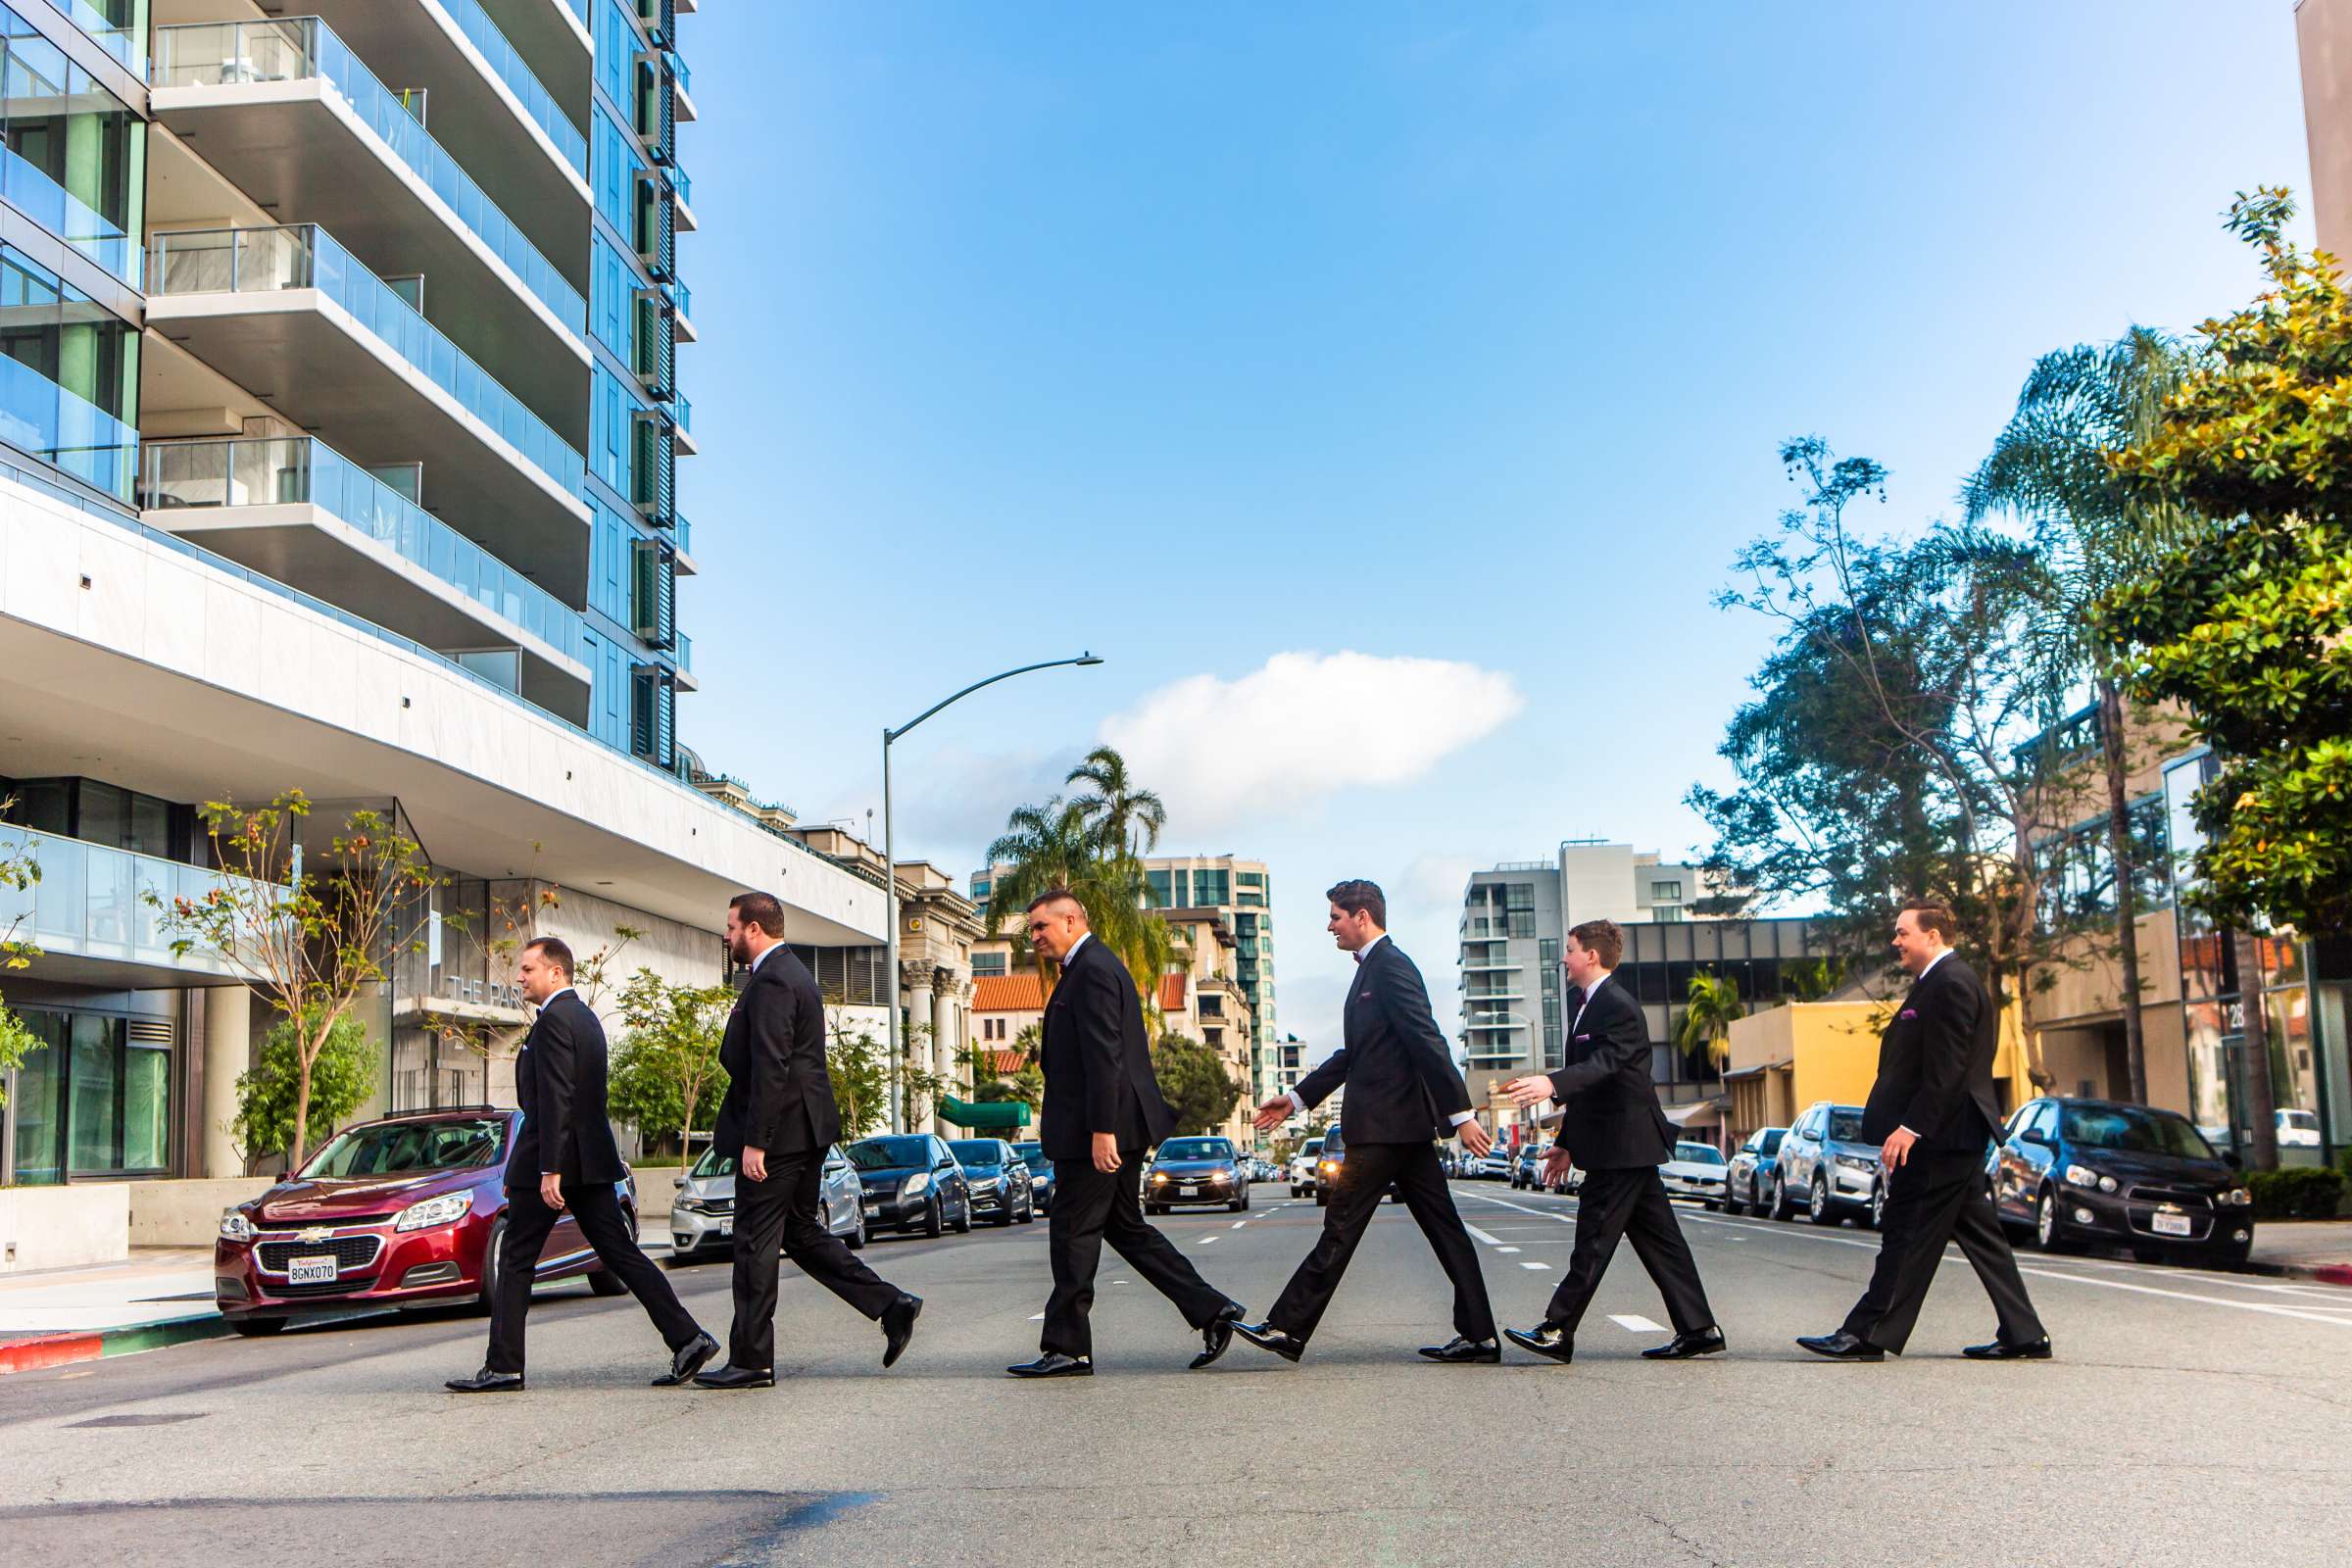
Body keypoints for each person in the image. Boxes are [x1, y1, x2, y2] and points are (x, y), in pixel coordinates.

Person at [1235, 880, 1499, 1365]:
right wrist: (1295, 1099)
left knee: (1340, 1227)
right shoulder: (1370, 972)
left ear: (1362, 916)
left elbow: (1428, 1041)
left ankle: (1287, 1328)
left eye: (1335, 916)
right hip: (1398, 1130)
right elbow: (1353, 1056)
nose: (1329, 926)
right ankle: (1479, 1335)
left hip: (1385, 1129)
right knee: (1445, 1231)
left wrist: (1461, 1115)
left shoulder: (1392, 967)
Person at [447, 936, 715, 1393]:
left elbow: (555, 1098)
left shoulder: (554, 1022)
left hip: (555, 1162)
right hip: (589, 1161)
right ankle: (688, 1338)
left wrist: (549, 1168)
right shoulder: (586, 1018)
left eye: (528, 969)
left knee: (514, 1258)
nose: (519, 977)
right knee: (620, 1252)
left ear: (555, 972)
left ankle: (504, 1366)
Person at [1796, 901, 2049, 1363]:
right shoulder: (1938, 982)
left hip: (1940, 1138)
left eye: (1902, 933)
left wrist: (1910, 1128)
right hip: (1954, 1136)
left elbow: (1947, 1070)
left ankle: (1865, 1334)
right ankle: (2025, 1332)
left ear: (1932, 936)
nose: (1895, 942)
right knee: (1981, 1236)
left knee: (1906, 1232)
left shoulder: (1950, 983)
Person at [1009, 890, 1245, 1378]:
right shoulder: (1087, 967)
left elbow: (1104, 1058)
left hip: (1098, 1130)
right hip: (1112, 1125)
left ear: (1071, 920)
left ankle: (1068, 1347)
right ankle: (1212, 1309)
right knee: (1124, 1228)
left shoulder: (1092, 969)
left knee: (1073, 1231)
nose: (1034, 938)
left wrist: (1101, 1131)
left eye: (1040, 927)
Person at [692, 892, 921, 1390]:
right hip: (806, 1128)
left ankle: (752, 1360)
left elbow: (772, 1065)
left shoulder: (773, 979)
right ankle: (890, 1303)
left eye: (731, 927)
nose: (727, 935)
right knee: (799, 1232)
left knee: (753, 1242)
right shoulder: (793, 972)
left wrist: (759, 1141)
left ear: (754, 929)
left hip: (781, 1134)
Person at [1497, 919, 1724, 1364]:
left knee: (1594, 1237)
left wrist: (1552, 1083)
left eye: (1569, 949)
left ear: (1592, 956)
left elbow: (1606, 1064)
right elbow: (1594, 1087)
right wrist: (1566, 1142)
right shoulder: (1587, 1005)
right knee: (1663, 1245)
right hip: (1622, 1143)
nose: (1563, 958)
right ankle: (1699, 1328)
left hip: (1622, 1144)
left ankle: (1558, 1328)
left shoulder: (1616, 1005)